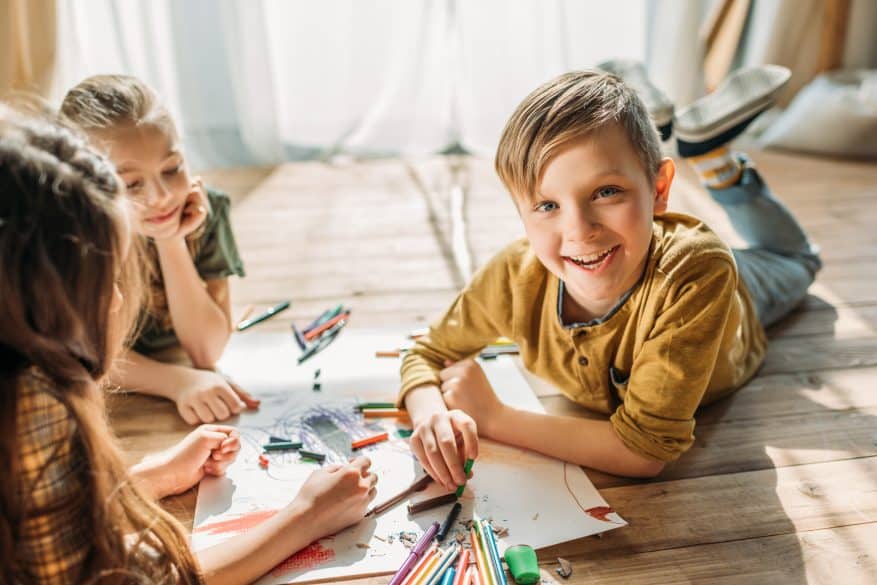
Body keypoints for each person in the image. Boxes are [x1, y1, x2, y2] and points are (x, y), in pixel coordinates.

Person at [0, 108, 377, 584]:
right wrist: (304, 517)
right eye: (103, 279)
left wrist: (149, 478)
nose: (118, 297)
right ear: (39, 291)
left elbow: (41, 516)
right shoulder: (31, 410)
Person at [398, 65, 821, 488]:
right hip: (636, 249)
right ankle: (654, 121)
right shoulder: (514, 276)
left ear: (658, 189)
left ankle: (719, 168)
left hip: (734, 292)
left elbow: (644, 450)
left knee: (797, 260)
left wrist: (495, 418)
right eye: (547, 206)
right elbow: (426, 354)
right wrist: (430, 414)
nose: (580, 231)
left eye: (606, 192)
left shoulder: (696, 274)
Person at [61, 75, 258, 425]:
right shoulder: (73, 230)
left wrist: (171, 240)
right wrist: (176, 381)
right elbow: (85, 352)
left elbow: (205, 350)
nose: (162, 196)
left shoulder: (205, 209)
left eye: (172, 168)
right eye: (132, 184)